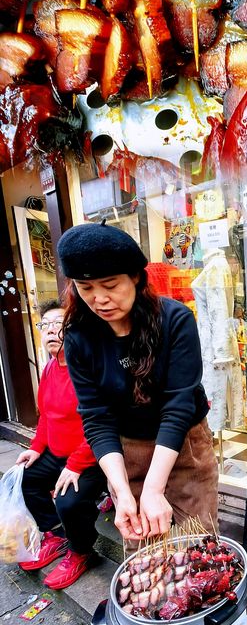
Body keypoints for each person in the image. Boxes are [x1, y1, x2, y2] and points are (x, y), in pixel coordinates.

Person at [57, 222, 218, 541]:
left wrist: (155, 488)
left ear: (135, 277)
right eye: (85, 287)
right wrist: (122, 492)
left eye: (109, 284)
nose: (99, 298)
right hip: (126, 449)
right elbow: (96, 417)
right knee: (144, 548)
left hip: (184, 443)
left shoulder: (175, 320)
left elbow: (178, 406)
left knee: (196, 545)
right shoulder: (79, 338)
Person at [16, 300, 107, 589]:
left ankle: (82, 551)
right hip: (57, 455)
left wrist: (76, 464)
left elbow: (101, 424)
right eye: (45, 326)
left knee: (68, 502)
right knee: (26, 479)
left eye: (59, 324)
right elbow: (46, 418)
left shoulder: (87, 370)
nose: (51, 331)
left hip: (89, 458)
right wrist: (34, 447)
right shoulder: (49, 369)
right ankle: (55, 534)